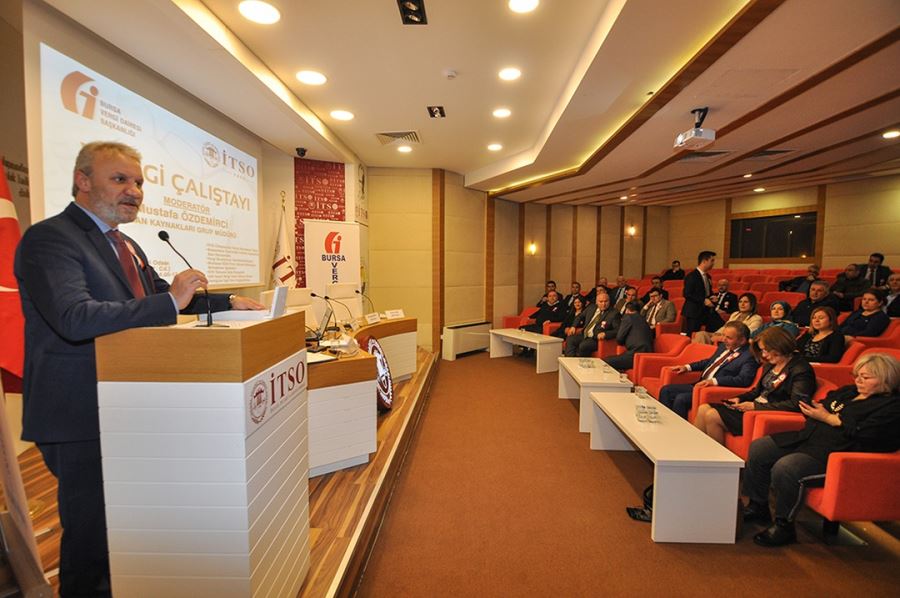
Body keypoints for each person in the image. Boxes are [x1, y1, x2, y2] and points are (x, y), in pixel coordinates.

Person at [13, 141, 265, 597]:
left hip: (129, 402)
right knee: (91, 536)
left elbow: (163, 299)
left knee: (126, 527)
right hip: (79, 412)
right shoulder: (50, 239)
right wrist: (169, 300)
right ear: (83, 180)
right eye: (120, 179)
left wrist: (229, 302)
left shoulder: (126, 244)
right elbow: (74, 317)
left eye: (139, 182)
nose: (134, 191)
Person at [743, 353, 900, 547]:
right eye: (857, 375)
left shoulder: (892, 406)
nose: (858, 380)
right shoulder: (849, 392)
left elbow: (868, 433)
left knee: (786, 467)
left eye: (866, 377)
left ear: (886, 379)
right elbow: (824, 404)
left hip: (838, 453)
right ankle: (758, 505)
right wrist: (826, 415)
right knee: (760, 447)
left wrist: (831, 418)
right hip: (809, 438)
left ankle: (784, 525)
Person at [694, 327, 816, 445]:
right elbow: (757, 391)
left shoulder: (801, 369)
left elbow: (797, 404)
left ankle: (715, 457)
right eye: (762, 350)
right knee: (703, 408)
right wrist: (740, 398)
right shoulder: (770, 364)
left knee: (712, 415)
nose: (763, 354)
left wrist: (756, 406)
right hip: (754, 407)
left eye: (765, 350)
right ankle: (696, 452)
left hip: (767, 412)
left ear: (779, 346)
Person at [660, 321, 757, 419]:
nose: (724, 339)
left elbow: (743, 379)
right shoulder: (723, 347)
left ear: (742, 340)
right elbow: (709, 361)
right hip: (700, 385)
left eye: (729, 338)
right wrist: (687, 367)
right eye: (723, 335)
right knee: (666, 390)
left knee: (681, 398)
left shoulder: (749, 356)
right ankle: (664, 422)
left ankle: (678, 427)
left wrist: (714, 381)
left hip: (714, 391)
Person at [564, 292, 620, 357]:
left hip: (596, 339)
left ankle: (578, 361)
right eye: (601, 302)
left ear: (609, 301)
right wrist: (573, 326)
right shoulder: (591, 307)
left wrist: (605, 334)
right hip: (585, 335)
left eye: (606, 301)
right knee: (570, 339)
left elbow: (617, 330)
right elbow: (580, 316)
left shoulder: (614, 313)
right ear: (596, 302)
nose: (603, 304)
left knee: (584, 345)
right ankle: (570, 360)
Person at [695, 292, 763, 345]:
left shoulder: (756, 318)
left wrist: (721, 337)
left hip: (735, 339)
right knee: (701, 334)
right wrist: (717, 334)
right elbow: (725, 326)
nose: (742, 304)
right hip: (724, 335)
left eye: (746, 302)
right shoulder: (735, 314)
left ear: (752, 304)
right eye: (740, 302)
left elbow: (747, 334)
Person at [603, 301, 653, 372]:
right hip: (647, 355)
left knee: (605, 362)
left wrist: (623, 342)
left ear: (627, 310)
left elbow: (619, 338)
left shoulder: (628, 317)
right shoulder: (643, 319)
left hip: (635, 354)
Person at [681, 250, 717, 334]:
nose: (713, 263)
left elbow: (707, 291)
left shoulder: (708, 276)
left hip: (705, 311)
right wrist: (703, 300)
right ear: (704, 261)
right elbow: (687, 294)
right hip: (694, 311)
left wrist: (712, 296)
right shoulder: (692, 276)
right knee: (692, 334)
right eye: (711, 261)